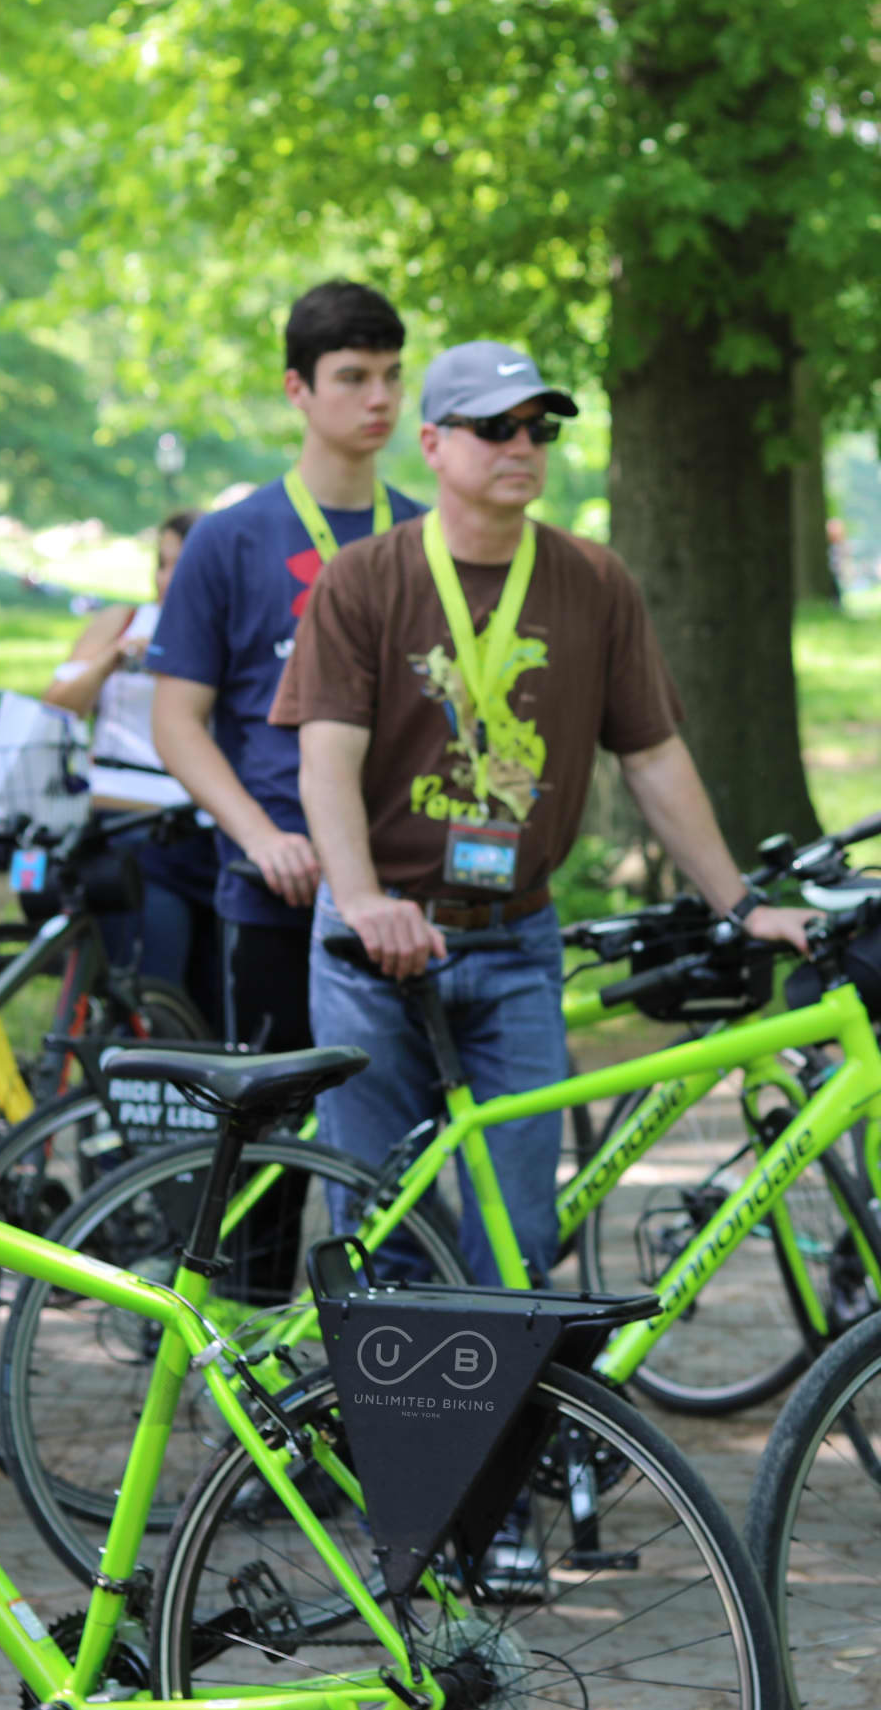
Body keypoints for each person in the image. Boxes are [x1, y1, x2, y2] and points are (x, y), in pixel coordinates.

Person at [276, 342, 813, 1284]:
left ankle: (499, 1428)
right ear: (435, 444)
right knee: (380, 1223)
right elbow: (326, 755)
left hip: (517, 942)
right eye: (495, 428)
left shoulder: (593, 581)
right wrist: (360, 902)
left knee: (519, 1236)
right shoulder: (364, 578)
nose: (522, 445)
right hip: (375, 947)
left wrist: (738, 903)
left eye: (540, 428)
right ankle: (383, 1430)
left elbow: (651, 755)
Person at [149, 280, 422, 1053]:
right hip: (279, 889)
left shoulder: (424, 536)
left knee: (403, 1157)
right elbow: (175, 724)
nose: (381, 399)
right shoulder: (227, 540)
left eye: (394, 375)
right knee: (275, 1161)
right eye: (354, 377)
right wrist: (260, 837)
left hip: (405, 890)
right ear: (296, 389)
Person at [43, 511, 220, 1022]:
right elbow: (57, 704)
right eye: (162, 564)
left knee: (208, 998)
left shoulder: (229, 631)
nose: (169, 579)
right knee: (150, 980)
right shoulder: (123, 622)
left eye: (182, 566)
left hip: (206, 827)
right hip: (130, 826)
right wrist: (113, 659)